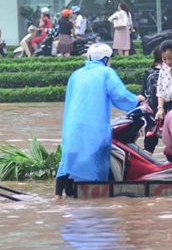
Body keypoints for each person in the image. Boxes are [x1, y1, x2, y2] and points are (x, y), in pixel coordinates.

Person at [55, 43, 145, 199]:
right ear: (105, 59)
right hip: (94, 125)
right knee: (96, 156)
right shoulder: (106, 72)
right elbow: (120, 96)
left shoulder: (76, 74)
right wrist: (137, 100)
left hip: (72, 126)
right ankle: (97, 195)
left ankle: (58, 196)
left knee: (69, 156)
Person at [141, 46, 162, 155]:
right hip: (169, 111)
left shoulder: (149, 72)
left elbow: (142, 94)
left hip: (152, 112)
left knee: (149, 145)